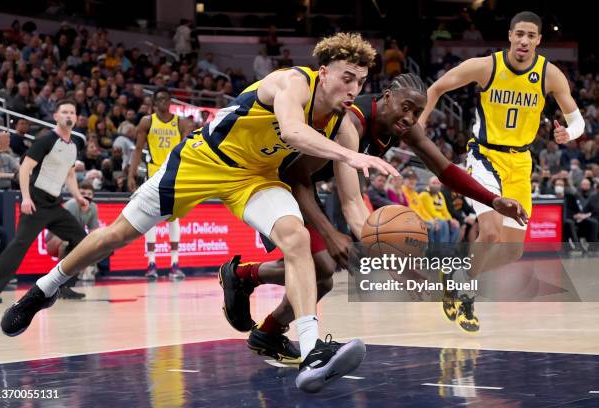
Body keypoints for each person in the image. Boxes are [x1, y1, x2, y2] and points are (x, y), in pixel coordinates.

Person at [1, 33, 397, 393]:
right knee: (118, 234)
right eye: (347, 77)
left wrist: (377, 242)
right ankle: (44, 290)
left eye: (361, 82)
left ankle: (312, 352)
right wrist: (351, 155)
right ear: (324, 72)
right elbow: (292, 132)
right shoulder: (292, 82)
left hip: (255, 179)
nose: (353, 89)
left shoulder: (343, 126)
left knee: (295, 237)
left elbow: (349, 201)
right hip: (204, 160)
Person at [219, 73, 526, 362]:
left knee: (323, 278)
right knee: (323, 268)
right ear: (387, 96)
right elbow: (296, 175)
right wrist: (330, 234)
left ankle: (266, 328)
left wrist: (494, 200)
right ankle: (245, 279)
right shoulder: (351, 123)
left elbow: (444, 169)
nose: (409, 118)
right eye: (405, 108)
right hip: (276, 180)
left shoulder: (402, 126)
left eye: (417, 113)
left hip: (307, 184)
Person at [418, 11, 583, 332]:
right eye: (518, 34)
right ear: (510, 36)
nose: (524, 40)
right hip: (484, 156)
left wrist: (569, 134)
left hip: (520, 163)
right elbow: (435, 88)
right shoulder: (486, 66)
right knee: (490, 233)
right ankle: (466, 296)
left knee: (512, 250)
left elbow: (577, 120)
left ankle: (456, 276)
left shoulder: (550, 75)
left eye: (530, 36)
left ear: (538, 40)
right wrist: (420, 124)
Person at [0, 100, 88, 303]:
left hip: (54, 204)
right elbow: (24, 168)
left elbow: (69, 175)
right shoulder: (46, 140)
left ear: (76, 118)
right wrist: (25, 197)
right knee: (20, 244)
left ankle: (64, 285)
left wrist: (77, 196)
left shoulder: (73, 145)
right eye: (64, 112)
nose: (68, 115)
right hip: (35, 201)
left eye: (72, 112)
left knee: (82, 240)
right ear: (56, 117)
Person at [128, 88, 193, 280]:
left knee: (173, 217)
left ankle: (174, 264)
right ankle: (151, 264)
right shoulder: (147, 121)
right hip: (153, 173)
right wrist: (131, 174)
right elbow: (138, 149)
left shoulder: (180, 122)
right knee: (151, 217)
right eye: (160, 99)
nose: (164, 102)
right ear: (154, 104)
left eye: (167, 99)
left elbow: (186, 152)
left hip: (174, 173)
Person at [45, 183, 100, 281]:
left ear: (93, 196)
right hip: (54, 240)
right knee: (67, 243)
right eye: (82, 193)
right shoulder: (71, 205)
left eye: (89, 194)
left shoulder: (93, 207)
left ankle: (88, 271)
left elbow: (93, 232)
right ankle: (60, 275)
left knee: (95, 241)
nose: (86, 196)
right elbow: (67, 233)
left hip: (74, 237)